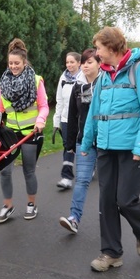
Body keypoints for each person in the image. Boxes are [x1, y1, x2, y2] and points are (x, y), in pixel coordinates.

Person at [80, 27, 140, 271]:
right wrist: (86, 142)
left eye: (99, 48)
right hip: (105, 147)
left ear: (112, 48)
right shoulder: (103, 77)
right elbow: (94, 112)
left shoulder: (139, 71)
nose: (97, 53)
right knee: (106, 202)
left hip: (131, 148)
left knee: (125, 200)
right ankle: (111, 253)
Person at [0, 38, 49, 223]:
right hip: (10, 133)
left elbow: (44, 105)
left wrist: (41, 121)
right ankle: (7, 206)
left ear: (24, 63)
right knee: (5, 171)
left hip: (30, 132)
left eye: (17, 63)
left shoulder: (35, 80)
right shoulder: (4, 83)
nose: (13, 66)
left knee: (28, 170)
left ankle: (31, 204)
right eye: (10, 63)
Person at [58, 48, 101, 233]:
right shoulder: (77, 86)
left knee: (108, 184)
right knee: (82, 180)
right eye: (83, 62)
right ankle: (74, 218)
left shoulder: (106, 84)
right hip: (84, 142)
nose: (85, 65)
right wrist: (70, 143)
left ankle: (109, 221)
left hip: (107, 143)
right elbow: (73, 115)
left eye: (89, 62)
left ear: (99, 64)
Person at [54, 52, 82, 189]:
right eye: (67, 62)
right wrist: (56, 121)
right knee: (68, 147)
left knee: (83, 145)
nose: (69, 65)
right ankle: (66, 177)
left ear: (79, 63)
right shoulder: (63, 78)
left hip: (81, 119)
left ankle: (89, 167)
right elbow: (59, 100)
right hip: (66, 119)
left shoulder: (84, 77)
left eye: (72, 62)